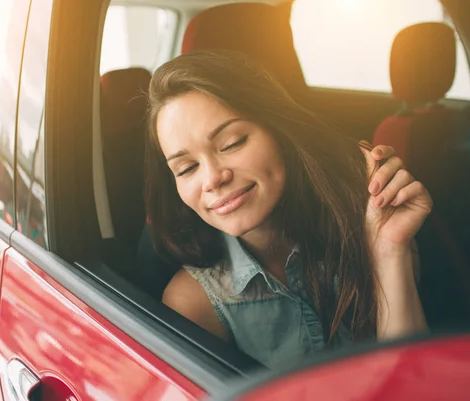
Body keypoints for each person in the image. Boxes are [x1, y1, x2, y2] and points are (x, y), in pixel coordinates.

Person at [144, 50, 431, 368]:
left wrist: (389, 250)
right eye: (186, 169)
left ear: (280, 132)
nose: (213, 179)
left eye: (232, 143)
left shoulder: (367, 228)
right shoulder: (192, 303)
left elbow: (414, 379)